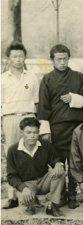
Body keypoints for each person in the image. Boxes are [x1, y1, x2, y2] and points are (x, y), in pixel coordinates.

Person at [37, 44, 83, 209]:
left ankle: (73, 194)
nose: (62, 62)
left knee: (74, 163)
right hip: (56, 128)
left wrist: (74, 98)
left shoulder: (78, 77)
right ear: (52, 60)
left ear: (68, 58)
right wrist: (45, 132)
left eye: (65, 59)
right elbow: (43, 107)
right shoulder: (47, 79)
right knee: (57, 163)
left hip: (75, 127)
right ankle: (61, 195)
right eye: (59, 59)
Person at [1, 42, 40, 210]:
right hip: (9, 119)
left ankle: (33, 194)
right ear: (8, 59)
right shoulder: (2, 79)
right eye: (14, 56)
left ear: (25, 58)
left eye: (21, 56)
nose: (18, 60)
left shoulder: (31, 78)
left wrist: (34, 122)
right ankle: (13, 197)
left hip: (28, 118)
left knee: (31, 155)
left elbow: (36, 102)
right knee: (12, 156)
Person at [7, 117, 65, 217]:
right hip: (27, 184)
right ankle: (31, 203)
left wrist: (58, 164)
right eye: (28, 132)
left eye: (35, 132)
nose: (32, 136)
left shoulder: (45, 145)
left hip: (43, 182)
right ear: (22, 133)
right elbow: (11, 177)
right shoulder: (13, 150)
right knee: (28, 206)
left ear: (39, 132)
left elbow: (55, 160)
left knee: (60, 172)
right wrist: (23, 188)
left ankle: (52, 205)